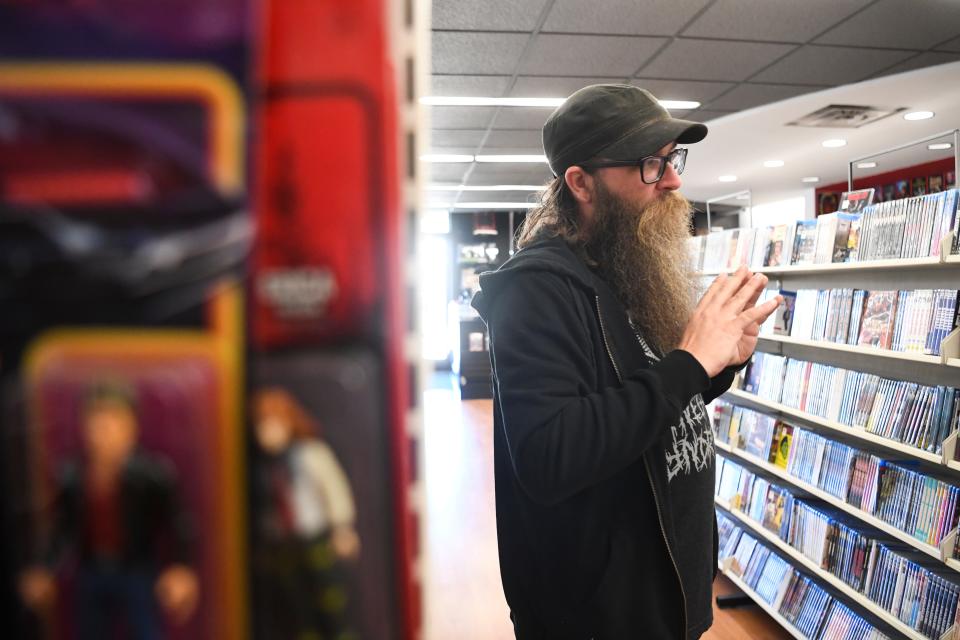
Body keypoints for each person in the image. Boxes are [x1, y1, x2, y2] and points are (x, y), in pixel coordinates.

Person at [471, 84, 781, 639]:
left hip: (663, 598)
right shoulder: (535, 291)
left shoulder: (624, 265)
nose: (673, 179)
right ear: (580, 182)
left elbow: (637, 397)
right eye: (649, 164)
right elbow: (551, 454)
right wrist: (689, 362)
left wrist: (716, 366)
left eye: (671, 159)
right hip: (600, 617)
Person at [18, 380, 198, 640]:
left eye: (115, 422)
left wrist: (181, 567)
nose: (105, 431)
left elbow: (179, 523)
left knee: (146, 630)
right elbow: (61, 528)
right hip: (91, 571)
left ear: (132, 428)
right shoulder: (72, 476)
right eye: (97, 422)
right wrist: (44, 568)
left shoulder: (154, 475)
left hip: (137, 569)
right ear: (84, 427)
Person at [250, 387, 360, 640]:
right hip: (283, 546)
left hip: (316, 537)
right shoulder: (261, 468)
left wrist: (342, 527)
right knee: (298, 606)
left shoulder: (311, 453)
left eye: (274, 424)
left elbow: (334, 489)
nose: (267, 432)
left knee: (331, 599)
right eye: (261, 425)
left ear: (289, 422)